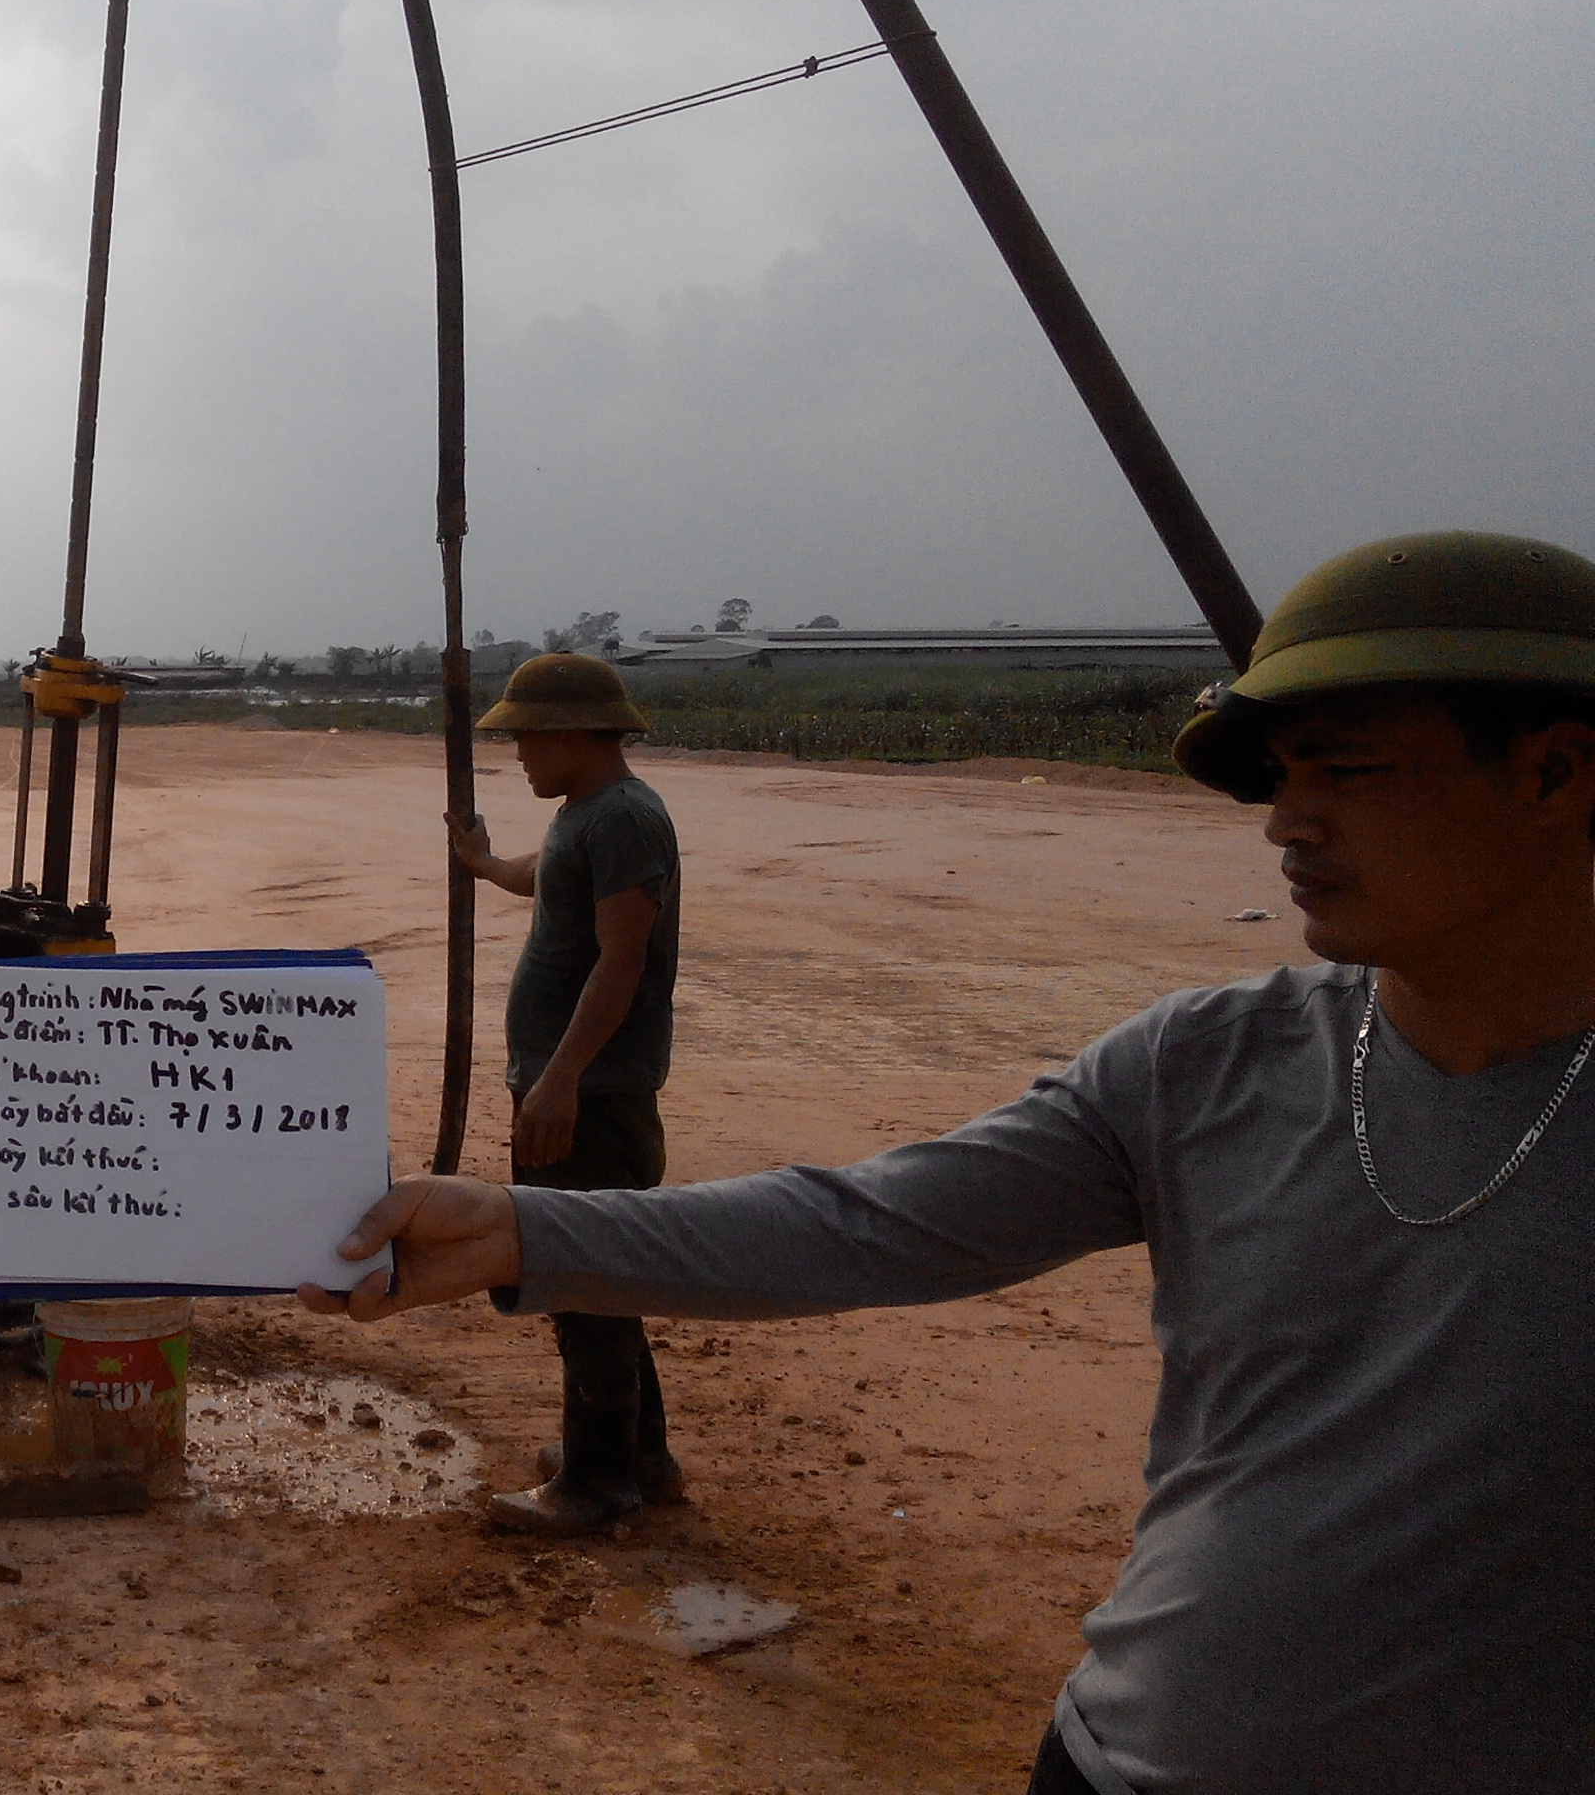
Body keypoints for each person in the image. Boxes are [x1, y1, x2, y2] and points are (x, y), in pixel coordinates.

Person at [315, 532, 1595, 1795]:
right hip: (1118, 1760)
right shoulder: (1198, 1067)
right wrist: (520, 1231)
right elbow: (865, 1223)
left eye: (1347, 769)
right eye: (1278, 776)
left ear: (1551, 775)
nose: (1287, 824)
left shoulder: (626, 819)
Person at [443, 652, 687, 1534]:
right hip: (575, 1088)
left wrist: (560, 1078)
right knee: (598, 1276)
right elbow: (544, 878)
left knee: (582, 1279)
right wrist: (482, 863)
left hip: (593, 1097)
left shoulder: (623, 819)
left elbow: (621, 962)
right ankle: (640, 1458)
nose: (517, 755)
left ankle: (596, 1484)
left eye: (527, 738)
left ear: (576, 734)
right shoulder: (588, 814)